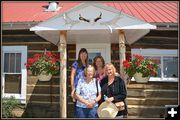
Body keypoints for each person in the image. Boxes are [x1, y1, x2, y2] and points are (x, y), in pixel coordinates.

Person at [70, 48, 88, 117]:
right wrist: (73, 88)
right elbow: (72, 76)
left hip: (86, 89)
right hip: (77, 89)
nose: (83, 55)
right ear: (79, 55)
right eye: (82, 54)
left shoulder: (87, 64)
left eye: (85, 54)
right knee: (78, 108)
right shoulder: (76, 63)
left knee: (84, 107)